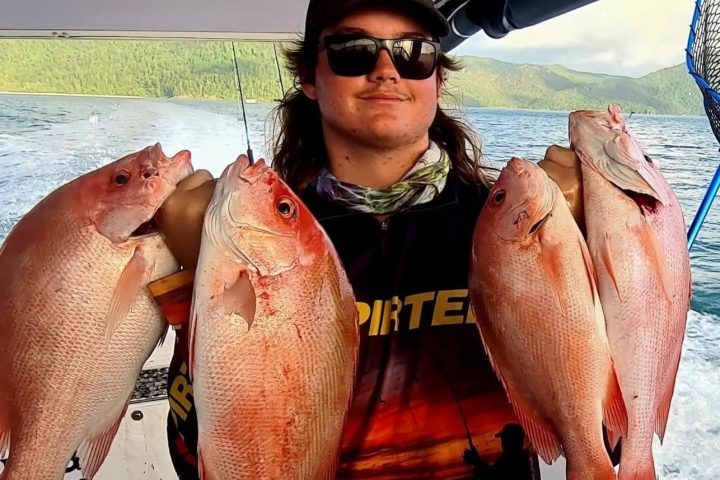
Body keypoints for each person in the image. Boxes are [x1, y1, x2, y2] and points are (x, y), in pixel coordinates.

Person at [154, 0, 586, 478]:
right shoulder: (260, 238)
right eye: (353, 51)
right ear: (310, 79)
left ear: (437, 82)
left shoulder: (513, 227)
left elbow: (600, 426)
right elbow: (196, 452)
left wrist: (583, 246)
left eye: (414, 53)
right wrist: (197, 274)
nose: (385, 70)